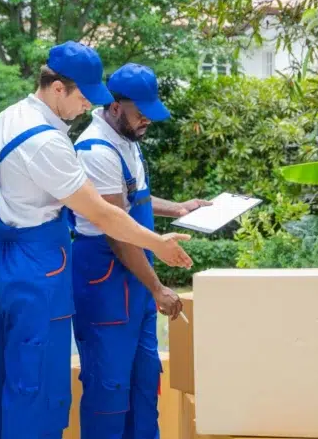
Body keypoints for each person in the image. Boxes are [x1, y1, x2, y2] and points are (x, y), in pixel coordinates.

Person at [0, 42, 193, 439]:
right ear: (57, 88)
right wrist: (158, 244)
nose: (84, 108)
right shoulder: (47, 141)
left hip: (6, 261)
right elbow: (102, 213)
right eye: (82, 97)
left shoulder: (6, 120)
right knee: (42, 390)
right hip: (41, 267)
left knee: (12, 382)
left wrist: (11, 251)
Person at [70, 63, 210, 439]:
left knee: (144, 382)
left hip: (134, 279)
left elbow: (135, 199)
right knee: (109, 388)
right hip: (107, 279)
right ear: (115, 107)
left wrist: (179, 208)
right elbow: (118, 233)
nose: (146, 120)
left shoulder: (126, 142)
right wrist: (156, 288)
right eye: (139, 113)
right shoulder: (96, 151)